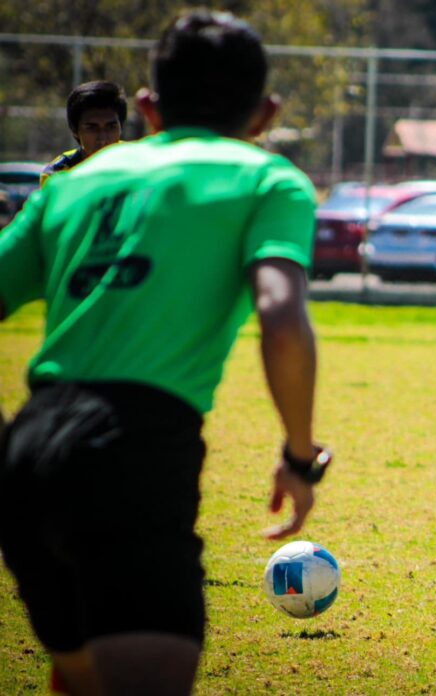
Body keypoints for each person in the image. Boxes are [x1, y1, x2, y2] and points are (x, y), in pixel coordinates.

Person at [0, 10, 330, 695]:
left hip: (29, 449)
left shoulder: (70, 184)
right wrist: (300, 454)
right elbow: (281, 315)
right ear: (265, 113)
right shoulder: (267, 180)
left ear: (147, 107)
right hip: (134, 448)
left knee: (82, 676)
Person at [40, 80, 128, 187]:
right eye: (92, 128)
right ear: (75, 130)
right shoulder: (57, 176)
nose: (103, 139)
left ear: (121, 127)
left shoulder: (141, 163)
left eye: (111, 127)